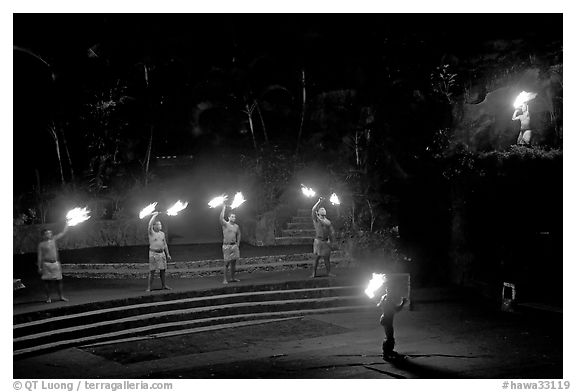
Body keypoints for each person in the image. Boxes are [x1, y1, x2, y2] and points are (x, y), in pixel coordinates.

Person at [37, 224, 69, 303]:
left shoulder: (54, 240)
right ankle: (48, 298)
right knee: (47, 282)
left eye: (50, 233)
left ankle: (61, 296)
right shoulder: (41, 244)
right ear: (43, 235)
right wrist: (39, 267)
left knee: (59, 281)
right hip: (46, 265)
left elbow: (63, 233)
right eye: (47, 233)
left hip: (55, 263)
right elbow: (39, 256)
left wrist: (67, 225)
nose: (49, 234)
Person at [377, 283, 407, 361]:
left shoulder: (384, 297)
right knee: (389, 337)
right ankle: (386, 353)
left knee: (389, 336)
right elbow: (396, 309)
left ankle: (388, 352)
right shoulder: (389, 299)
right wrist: (403, 303)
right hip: (387, 320)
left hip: (385, 319)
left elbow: (379, 305)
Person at [311, 197, 336, 278]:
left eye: (323, 209)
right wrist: (319, 202)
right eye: (321, 209)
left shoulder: (328, 221)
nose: (323, 209)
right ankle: (314, 273)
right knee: (316, 259)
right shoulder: (316, 220)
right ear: (318, 212)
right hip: (318, 241)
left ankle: (328, 272)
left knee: (327, 259)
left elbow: (331, 231)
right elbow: (313, 210)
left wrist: (332, 241)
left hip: (326, 242)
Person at [147, 212, 172, 291]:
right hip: (153, 254)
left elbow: (165, 244)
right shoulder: (151, 233)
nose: (160, 226)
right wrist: (154, 216)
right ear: (154, 226)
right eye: (158, 224)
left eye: (160, 224)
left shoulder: (162, 234)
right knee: (152, 271)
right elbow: (149, 225)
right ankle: (149, 287)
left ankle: (164, 285)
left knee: (163, 270)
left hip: (162, 254)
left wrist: (168, 254)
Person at [220, 203, 241, 284]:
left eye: (234, 217)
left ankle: (232, 278)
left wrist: (238, 243)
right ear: (228, 217)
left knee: (233, 263)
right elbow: (221, 218)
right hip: (226, 246)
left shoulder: (236, 226)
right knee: (226, 263)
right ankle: (225, 279)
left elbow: (239, 234)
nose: (234, 218)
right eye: (232, 216)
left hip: (234, 246)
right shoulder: (225, 224)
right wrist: (223, 208)